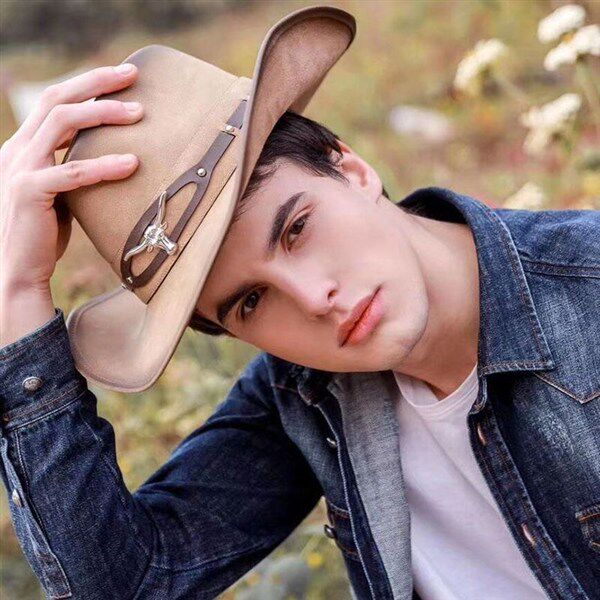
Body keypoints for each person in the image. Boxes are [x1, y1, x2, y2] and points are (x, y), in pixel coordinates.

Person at [1, 42, 599, 600]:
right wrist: (18, 293)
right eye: (251, 301)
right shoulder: (302, 394)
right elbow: (125, 584)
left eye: (297, 229)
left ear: (352, 169)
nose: (315, 299)